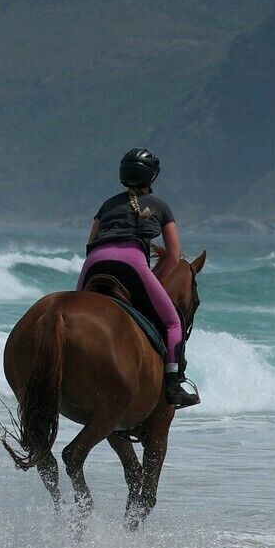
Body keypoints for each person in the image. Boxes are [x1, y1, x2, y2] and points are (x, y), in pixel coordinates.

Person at [79, 148, 200, 407]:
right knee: (172, 323)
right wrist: (154, 279)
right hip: (132, 263)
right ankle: (173, 385)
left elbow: (90, 244)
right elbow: (173, 257)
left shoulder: (107, 204)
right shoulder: (161, 208)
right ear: (152, 177)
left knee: (78, 307)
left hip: (94, 262)